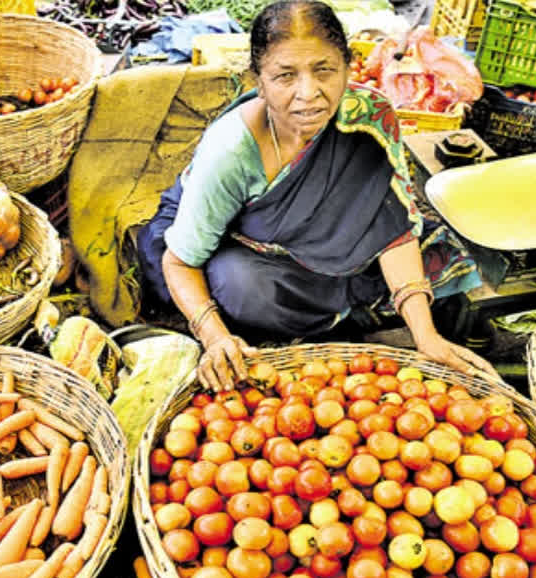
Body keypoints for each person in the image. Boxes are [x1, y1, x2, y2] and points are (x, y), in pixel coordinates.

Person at [139, 0, 494, 391]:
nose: (308, 94)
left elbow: (391, 227)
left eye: (324, 70)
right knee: (237, 286)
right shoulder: (231, 148)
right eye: (285, 76)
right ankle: (340, 310)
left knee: (422, 263)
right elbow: (180, 261)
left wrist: (425, 337)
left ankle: (337, 307)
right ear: (258, 80)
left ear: (346, 67)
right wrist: (214, 337)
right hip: (227, 244)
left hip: (321, 250)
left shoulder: (369, 117)